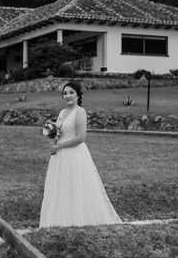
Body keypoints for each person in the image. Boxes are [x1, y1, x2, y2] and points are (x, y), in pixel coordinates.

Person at [39, 80, 121, 227]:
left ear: (78, 95)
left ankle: (77, 220)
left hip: (75, 154)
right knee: (62, 185)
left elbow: (81, 137)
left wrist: (60, 146)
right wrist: (52, 137)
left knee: (76, 185)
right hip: (60, 155)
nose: (68, 96)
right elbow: (59, 132)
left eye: (71, 92)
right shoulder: (62, 112)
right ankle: (58, 220)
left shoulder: (80, 112)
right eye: (65, 93)